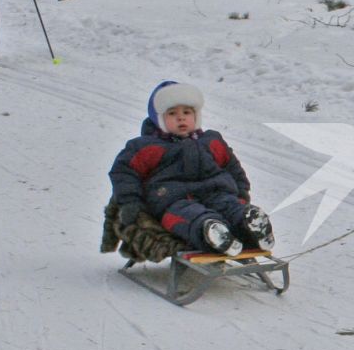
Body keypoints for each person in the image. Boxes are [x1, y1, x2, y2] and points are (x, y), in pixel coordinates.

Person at [108, 81, 276, 255]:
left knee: (231, 206)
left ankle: (252, 226)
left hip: (217, 192)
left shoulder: (211, 140)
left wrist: (241, 192)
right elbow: (124, 172)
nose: (181, 118)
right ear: (159, 119)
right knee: (190, 216)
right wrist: (131, 202)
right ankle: (213, 232)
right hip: (173, 200)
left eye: (187, 112)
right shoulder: (146, 146)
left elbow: (231, 166)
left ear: (196, 116)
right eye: (172, 113)